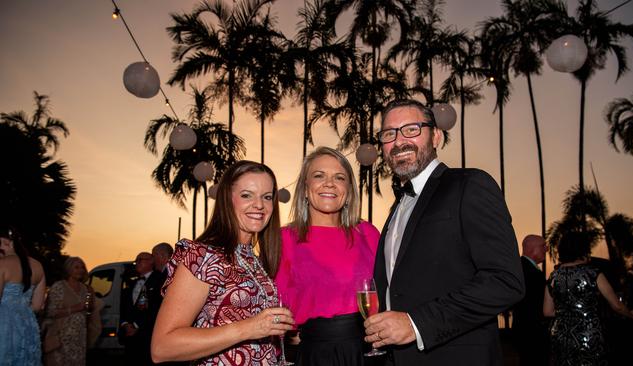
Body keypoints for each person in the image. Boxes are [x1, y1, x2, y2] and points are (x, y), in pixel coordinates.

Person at [362, 99, 525, 365]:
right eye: (389, 134)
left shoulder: (469, 185)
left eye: (411, 129)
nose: (399, 141)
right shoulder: (398, 207)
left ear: (436, 136)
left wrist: (416, 325)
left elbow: (505, 281)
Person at [151, 160, 294, 365]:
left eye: (267, 197)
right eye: (246, 195)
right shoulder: (203, 255)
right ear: (227, 199)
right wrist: (249, 328)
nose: (260, 205)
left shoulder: (253, 259)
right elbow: (162, 347)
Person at [275, 146, 381, 366]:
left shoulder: (368, 233)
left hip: (371, 352)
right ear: (305, 188)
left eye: (339, 177)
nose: (329, 183)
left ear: (348, 190)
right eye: (319, 175)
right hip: (317, 355)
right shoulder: (284, 238)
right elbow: (275, 305)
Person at [543, 231, 633, 366]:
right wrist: (631, 315)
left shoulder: (553, 276)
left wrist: (567, 312)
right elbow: (617, 305)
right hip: (588, 336)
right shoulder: (593, 274)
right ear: (584, 249)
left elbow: (547, 311)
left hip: (561, 338)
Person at [0, 226, 46, 365]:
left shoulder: (2, 265)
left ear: (6, 242)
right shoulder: (38, 266)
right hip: (27, 324)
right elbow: (37, 306)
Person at [44, 256, 98, 366]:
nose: (80, 270)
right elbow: (50, 312)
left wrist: (90, 308)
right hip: (61, 336)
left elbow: (88, 311)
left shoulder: (85, 288)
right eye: (76, 267)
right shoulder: (59, 286)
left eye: (82, 267)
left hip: (79, 338)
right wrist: (74, 308)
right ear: (68, 269)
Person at [119, 251, 165, 365]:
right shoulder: (131, 283)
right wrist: (125, 324)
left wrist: (136, 326)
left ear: (151, 262)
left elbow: (157, 308)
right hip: (130, 339)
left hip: (148, 336)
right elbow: (123, 308)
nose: (137, 263)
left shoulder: (160, 280)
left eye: (140, 260)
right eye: (136, 261)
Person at [511, 234, 549, 366]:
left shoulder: (521, 267)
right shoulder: (528, 271)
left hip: (525, 331)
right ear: (532, 248)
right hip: (532, 333)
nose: (547, 249)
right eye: (543, 246)